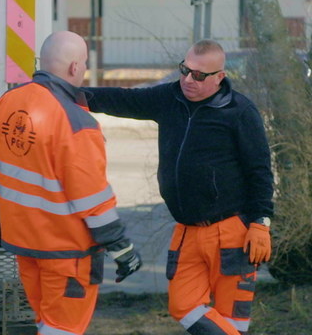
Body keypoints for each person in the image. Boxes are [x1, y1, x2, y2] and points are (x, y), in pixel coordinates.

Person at [85, 39, 273, 335]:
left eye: (199, 75)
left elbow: (260, 171)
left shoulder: (239, 111)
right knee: (183, 306)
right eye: (185, 70)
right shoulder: (169, 98)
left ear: (219, 77)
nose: (188, 79)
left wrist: (261, 223)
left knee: (232, 321)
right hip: (187, 231)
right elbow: (122, 98)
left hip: (232, 233)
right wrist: (67, 94)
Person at [0, 31, 142, 335]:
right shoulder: (76, 122)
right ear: (74, 68)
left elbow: (3, 174)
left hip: (26, 246)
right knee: (62, 329)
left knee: (48, 325)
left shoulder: (6, 104)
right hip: (67, 254)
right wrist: (122, 249)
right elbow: (92, 199)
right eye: (83, 64)